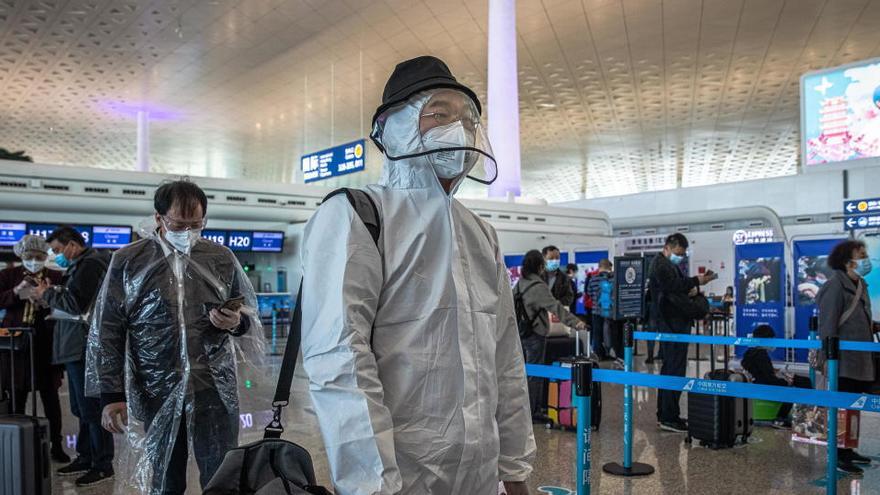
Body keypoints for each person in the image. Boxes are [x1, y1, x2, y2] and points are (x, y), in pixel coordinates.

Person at [301, 55, 536, 495]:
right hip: (401, 476)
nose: (459, 129)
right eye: (439, 114)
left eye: (467, 119)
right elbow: (340, 362)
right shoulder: (357, 215)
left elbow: (506, 358)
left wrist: (515, 470)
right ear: (398, 126)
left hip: (480, 476)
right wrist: (373, 483)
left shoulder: (481, 234)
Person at [88, 180, 262, 494]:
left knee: (221, 473)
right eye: (179, 224)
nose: (188, 232)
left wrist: (234, 321)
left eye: (196, 225)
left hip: (213, 386)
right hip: (156, 389)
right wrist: (111, 395)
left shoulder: (219, 258)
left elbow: (246, 317)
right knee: (166, 476)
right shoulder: (130, 260)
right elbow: (108, 331)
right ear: (158, 218)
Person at [29, 225, 113, 486]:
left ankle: (102, 464)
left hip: (84, 345)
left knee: (91, 407)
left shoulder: (91, 264)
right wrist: (51, 298)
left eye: (56, 250)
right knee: (80, 408)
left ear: (72, 245)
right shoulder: (79, 266)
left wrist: (47, 293)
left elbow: (76, 303)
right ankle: (86, 456)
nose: (56, 256)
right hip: (74, 344)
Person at [0, 235, 69, 462]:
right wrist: (15, 293)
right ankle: (16, 440)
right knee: (16, 393)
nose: (33, 261)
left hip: (45, 342)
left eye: (39, 257)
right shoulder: (8, 275)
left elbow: (66, 305)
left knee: (50, 394)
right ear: (21, 255)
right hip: (15, 343)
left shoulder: (56, 276)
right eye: (29, 257)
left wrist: (48, 300)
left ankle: (56, 444)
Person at [817, 239, 876, 474]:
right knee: (841, 406)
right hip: (841, 359)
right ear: (847, 261)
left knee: (853, 405)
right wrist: (827, 358)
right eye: (861, 255)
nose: (866, 259)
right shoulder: (835, 285)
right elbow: (828, 324)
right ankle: (839, 454)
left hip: (859, 358)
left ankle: (849, 448)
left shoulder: (860, 283)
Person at [650, 233, 716, 433]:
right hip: (671, 324)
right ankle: (668, 416)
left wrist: (692, 288)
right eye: (678, 253)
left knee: (673, 368)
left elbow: (675, 288)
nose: (680, 257)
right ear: (668, 247)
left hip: (674, 323)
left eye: (683, 254)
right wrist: (697, 281)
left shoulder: (667, 264)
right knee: (673, 369)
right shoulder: (661, 265)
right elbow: (672, 287)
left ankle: (669, 414)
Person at [516, 250, 587, 422]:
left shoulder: (520, 283)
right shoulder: (538, 286)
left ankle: (525, 409)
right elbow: (556, 308)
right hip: (534, 335)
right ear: (539, 266)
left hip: (521, 333)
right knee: (536, 373)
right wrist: (577, 323)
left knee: (525, 373)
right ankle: (534, 412)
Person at [741, 324, 811, 428]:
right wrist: (786, 382)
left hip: (759, 385)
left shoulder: (750, 353)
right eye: (772, 339)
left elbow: (762, 373)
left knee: (800, 381)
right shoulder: (761, 354)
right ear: (766, 339)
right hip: (765, 387)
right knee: (799, 386)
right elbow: (770, 379)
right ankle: (781, 418)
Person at [587, 259, 614, 360]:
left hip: (596, 311)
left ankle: (599, 354)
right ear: (609, 267)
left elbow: (589, 292)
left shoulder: (593, 279)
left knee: (597, 333)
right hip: (609, 311)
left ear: (599, 266)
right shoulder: (612, 279)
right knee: (609, 333)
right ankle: (608, 352)